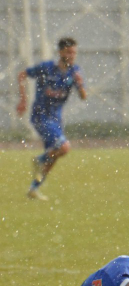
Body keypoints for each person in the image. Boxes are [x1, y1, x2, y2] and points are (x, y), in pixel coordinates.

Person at [16, 37, 87, 200]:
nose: (72, 55)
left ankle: (34, 189)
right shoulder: (46, 68)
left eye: (74, 52)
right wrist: (23, 100)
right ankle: (39, 159)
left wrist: (80, 84)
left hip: (56, 119)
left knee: (53, 156)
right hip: (41, 116)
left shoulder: (75, 72)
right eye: (69, 52)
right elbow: (22, 75)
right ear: (60, 52)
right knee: (64, 147)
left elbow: (83, 96)